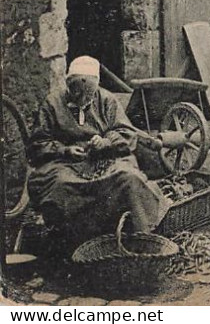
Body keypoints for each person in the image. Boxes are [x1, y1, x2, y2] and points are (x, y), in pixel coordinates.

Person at [27, 56, 171, 246]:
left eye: (88, 95)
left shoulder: (107, 100)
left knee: (128, 178)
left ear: (96, 88)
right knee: (61, 185)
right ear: (68, 86)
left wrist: (107, 142)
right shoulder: (52, 103)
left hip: (106, 159)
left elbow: (127, 134)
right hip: (65, 164)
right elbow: (38, 143)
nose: (82, 99)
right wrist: (65, 150)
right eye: (76, 93)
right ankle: (74, 240)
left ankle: (139, 236)